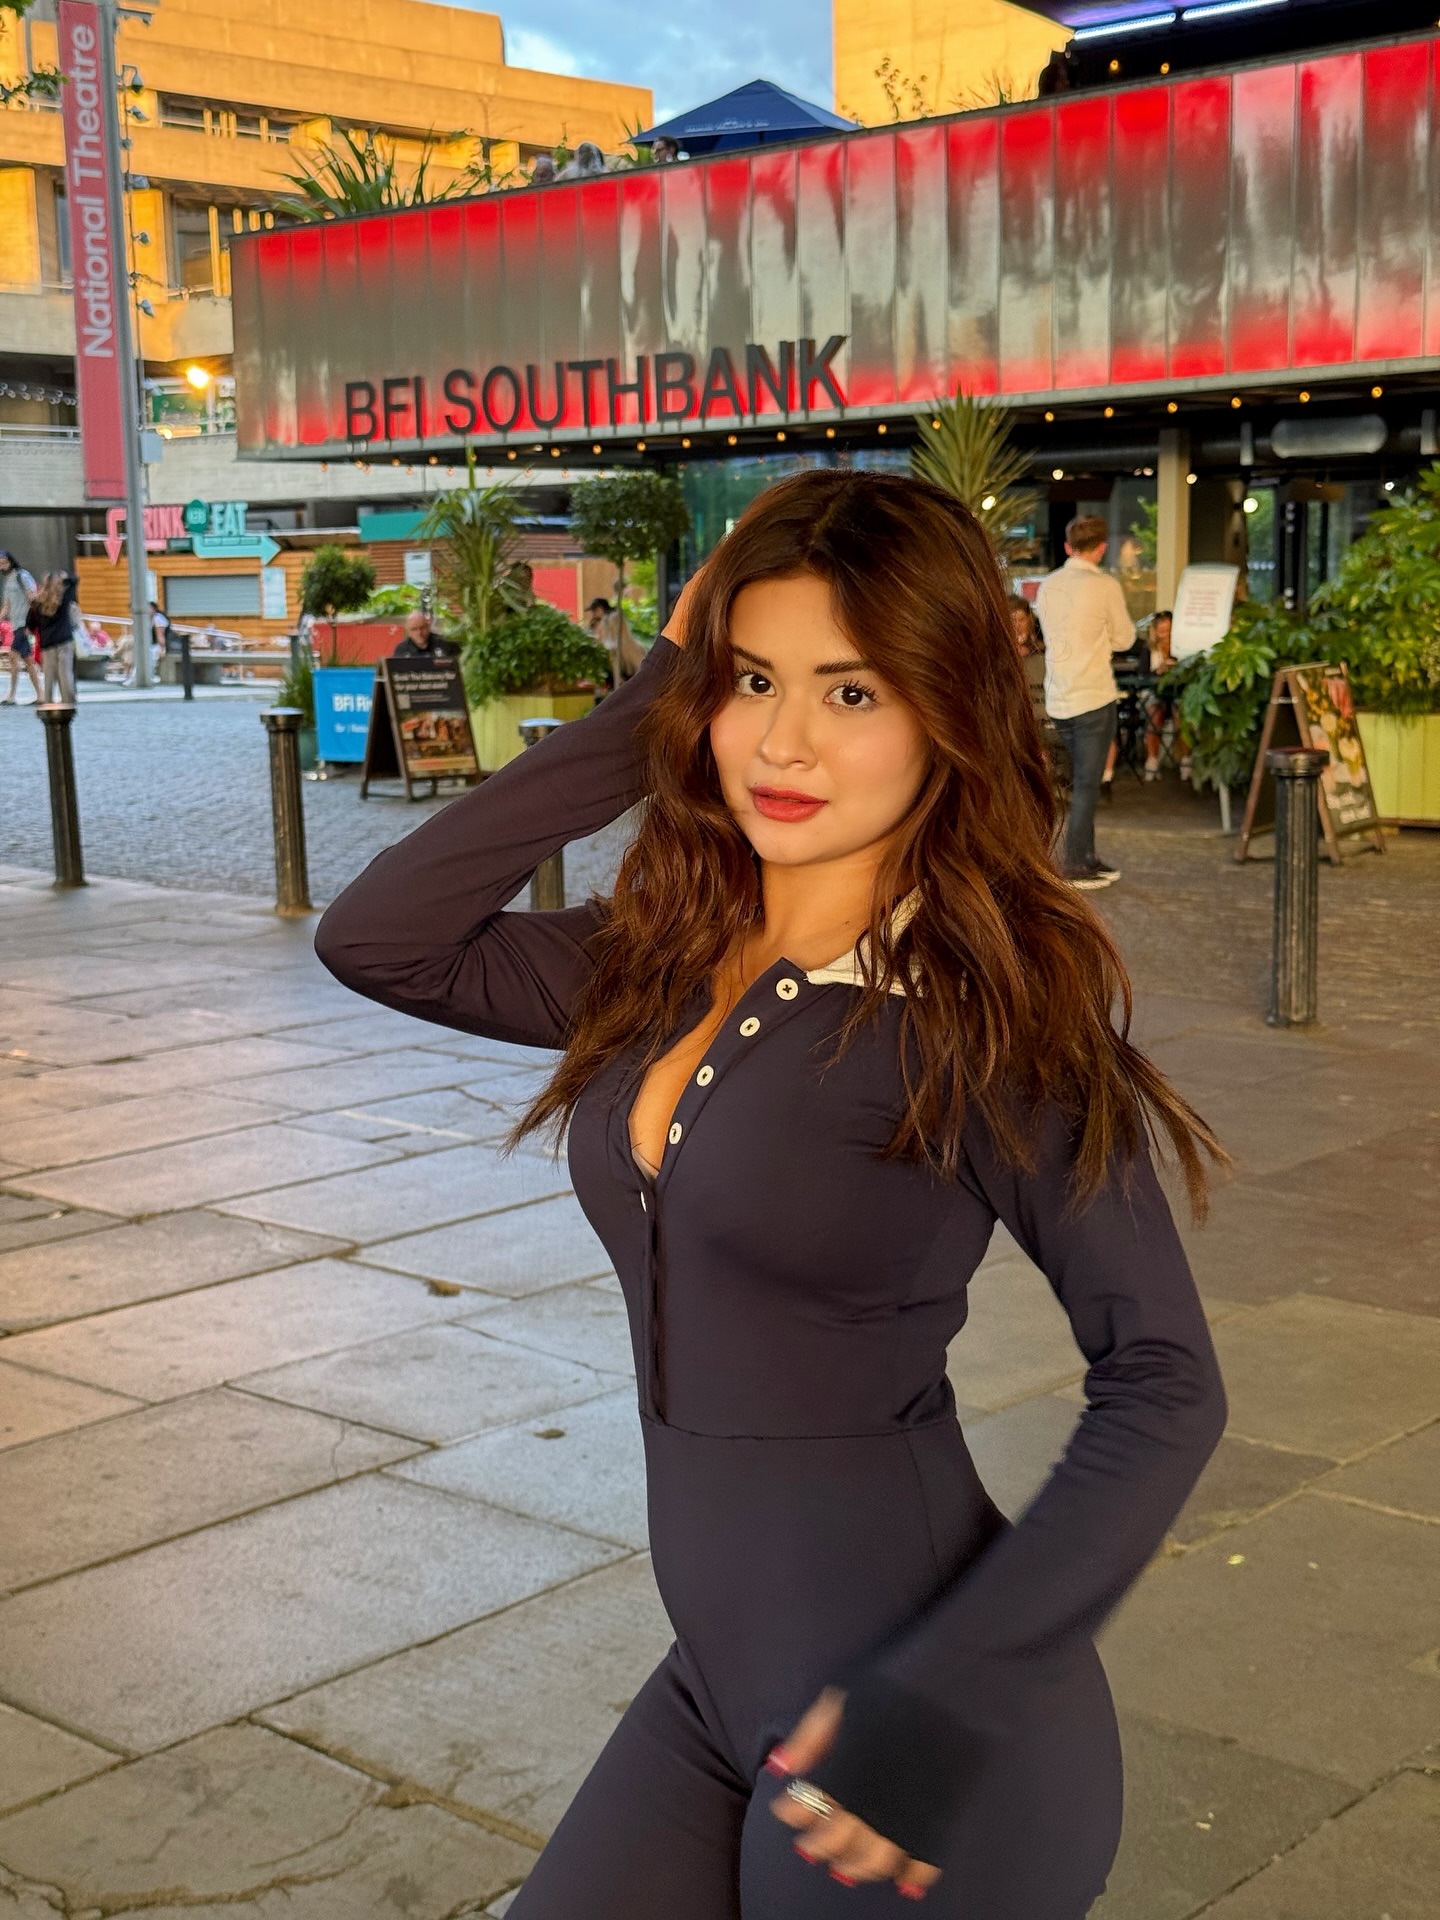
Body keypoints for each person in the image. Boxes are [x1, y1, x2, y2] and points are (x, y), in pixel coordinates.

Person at [316, 470, 1228, 1920]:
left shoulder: (985, 1023)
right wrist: (653, 699)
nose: (783, 742)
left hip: (917, 1756)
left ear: (948, 712)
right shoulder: (654, 960)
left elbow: (1167, 1379)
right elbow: (381, 938)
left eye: (851, 692)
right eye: (753, 680)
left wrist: (949, 1697)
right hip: (720, 1682)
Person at [1035, 514, 1135, 889]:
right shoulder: (1105, 586)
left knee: (1080, 781)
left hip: (1059, 696)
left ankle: (1088, 857)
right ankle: (1076, 864)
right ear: (1102, 548)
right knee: (1087, 785)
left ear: (1067, 546)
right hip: (1093, 695)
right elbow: (1125, 638)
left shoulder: (1048, 585)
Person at [1142, 611, 1192, 782]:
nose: (1166, 635)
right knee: (1154, 712)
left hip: (1177, 691)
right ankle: (1152, 760)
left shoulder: (1182, 649)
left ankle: (1186, 760)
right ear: (1155, 632)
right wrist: (1158, 671)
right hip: (1155, 692)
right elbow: (1142, 675)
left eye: (1169, 630)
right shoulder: (1149, 650)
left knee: (1182, 714)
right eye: (1162, 631)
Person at [26, 571, 81, 706]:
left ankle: (48, 702)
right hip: (64, 640)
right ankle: (68, 702)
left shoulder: (37, 603)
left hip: (47, 643)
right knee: (65, 673)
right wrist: (64, 577)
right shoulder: (63, 599)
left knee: (49, 675)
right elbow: (75, 580)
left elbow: (30, 625)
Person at [0, 550, 42, 705]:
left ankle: (13, 695)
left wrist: (32, 621)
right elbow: (7, 605)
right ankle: (39, 694)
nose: (2, 566)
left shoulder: (22, 576)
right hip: (16, 623)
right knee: (27, 661)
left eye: (4, 562)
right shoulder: (8, 581)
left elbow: (33, 596)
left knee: (14, 656)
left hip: (24, 623)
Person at [586, 596, 646, 688]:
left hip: (622, 651)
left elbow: (611, 639)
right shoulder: (610, 617)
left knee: (612, 655)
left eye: (594, 611)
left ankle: (619, 681)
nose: (593, 614)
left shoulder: (610, 618)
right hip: (627, 651)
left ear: (600, 608)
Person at [1008, 592, 1046, 726]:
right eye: (1012, 620)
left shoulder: (1044, 652)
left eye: (1021, 620)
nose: (1017, 626)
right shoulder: (998, 657)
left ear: (1029, 620)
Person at [392, 608, 457, 659]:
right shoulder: (402, 650)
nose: (419, 633)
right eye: (414, 629)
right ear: (408, 631)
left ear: (428, 626)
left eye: (422, 628)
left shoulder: (446, 645)